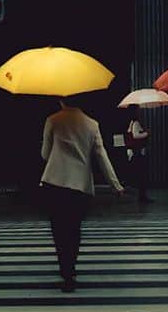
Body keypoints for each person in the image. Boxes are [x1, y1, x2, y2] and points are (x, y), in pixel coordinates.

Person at [40, 99, 124, 292]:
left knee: (59, 230)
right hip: (80, 185)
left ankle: (65, 270)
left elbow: (45, 154)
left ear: (61, 99)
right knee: (74, 229)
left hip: (55, 182)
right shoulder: (91, 124)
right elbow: (101, 156)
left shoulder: (53, 120)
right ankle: (71, 269)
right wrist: (115, 185)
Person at [125, 116, 152, 203]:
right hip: (138, 152)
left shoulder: (132, 123)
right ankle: (142, 197)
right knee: (142, 174)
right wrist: (146, 133)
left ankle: (142, 196)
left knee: (141, 175)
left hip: (136, 152)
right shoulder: (136, 123)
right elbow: (135, 136)